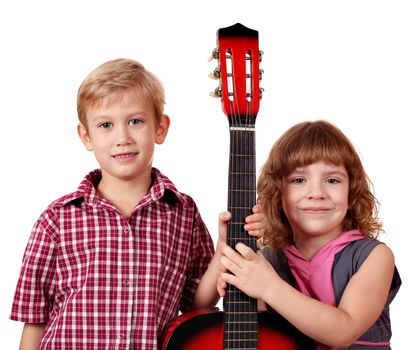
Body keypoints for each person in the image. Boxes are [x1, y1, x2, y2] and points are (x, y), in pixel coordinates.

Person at [10, 58, 265, 349]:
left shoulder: (182, 212)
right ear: (86, 136)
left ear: (160, 128)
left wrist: (223, 248)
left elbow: (197, 302)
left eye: (135, 121)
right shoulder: (56, 219)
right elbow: (35, 319)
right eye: (106, 125)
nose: (122, 137)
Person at [218, 120, 401, 350]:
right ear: (278, 193)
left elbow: (343, 331)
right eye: (299, 180)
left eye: (332, 180)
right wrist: (238, 286)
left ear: (351, 189)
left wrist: (268, 286)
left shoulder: (374, 257)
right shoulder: (268, 261)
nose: (316, 193)